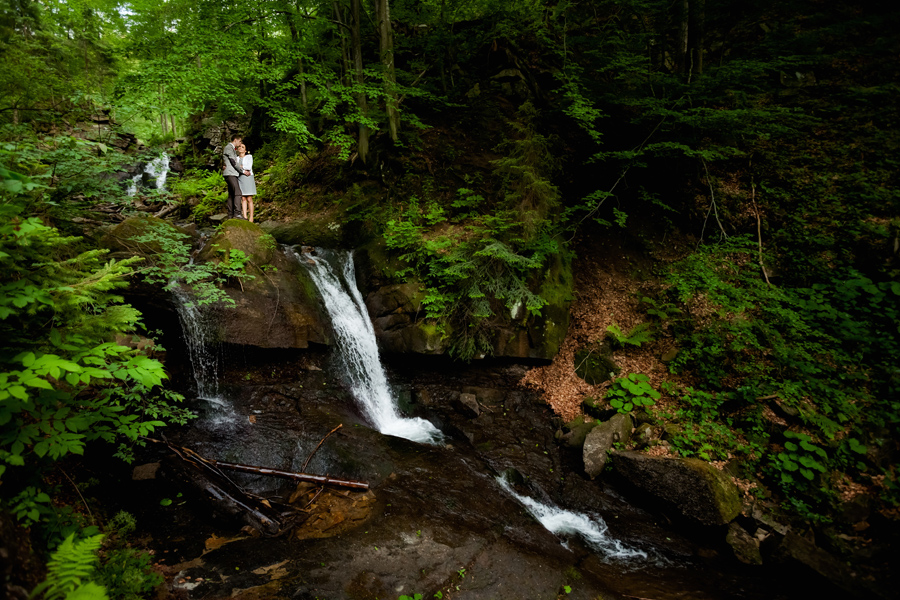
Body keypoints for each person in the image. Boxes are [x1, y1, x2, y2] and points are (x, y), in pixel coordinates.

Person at [222, 134, 249, 220]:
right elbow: (233, 161)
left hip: (230, 173)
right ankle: (237, 213)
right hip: (230, 173)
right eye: (240, 141)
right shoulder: (229, 148)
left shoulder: (230, 148)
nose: (240, 143)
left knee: (231, 194)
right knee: (238, 193)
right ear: (235, 140)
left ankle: (230, 214)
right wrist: (242, 171)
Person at [237, 143, 257, 223]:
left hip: (248, 177)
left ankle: (251, 217)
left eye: (242, 147)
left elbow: (249, 167)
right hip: (240, 178)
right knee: (243, 198)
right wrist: (241, 167)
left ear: (245, 150)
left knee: (249, 198)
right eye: (239, 146)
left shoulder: (249, 157)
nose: (240, 148)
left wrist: (241, 167)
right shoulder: (236, 158)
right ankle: (245, 216)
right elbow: (235, 167)